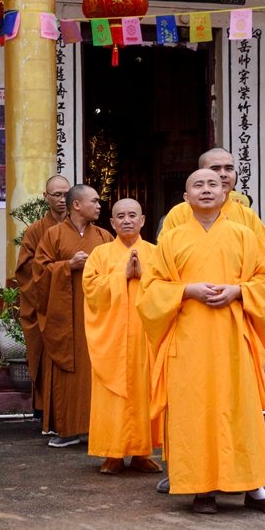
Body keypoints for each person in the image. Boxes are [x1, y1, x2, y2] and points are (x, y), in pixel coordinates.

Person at [138, 169, 265, 516]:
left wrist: (239, 290)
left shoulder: (244, 236)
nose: (206, 190)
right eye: (197, 185)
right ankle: (200, 487)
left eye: (213, 185)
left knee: (240, 409)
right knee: (194, 410)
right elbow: (150, 290)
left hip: (232, 336)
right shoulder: (172, 240)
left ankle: (254, 486)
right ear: (186, 198)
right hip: (188, 337)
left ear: (226, 194)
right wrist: (186, 290)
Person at [82, 198, 163, 474]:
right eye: (120, 216)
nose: (126, 220)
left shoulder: (156, 253)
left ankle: (142, 452)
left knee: (144, 392)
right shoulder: (100, 254)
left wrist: (144, 274)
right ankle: (112, 454)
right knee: (111, 394)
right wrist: (122, 275)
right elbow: (90, 289)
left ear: (142, 220)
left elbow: (167, 288)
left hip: (145, 337)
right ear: (112, 223)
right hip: (112, 338)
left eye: (132, 215)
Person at [33, 184, 113, 448]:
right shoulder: (53, 235)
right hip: (64, 315)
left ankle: (95, 429)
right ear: (76, 205)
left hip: (96, 313)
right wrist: (68, 266)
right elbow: (39, 273)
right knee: (68, 368)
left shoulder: (104, 236)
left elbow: (114, 268)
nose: (99, 205)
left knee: (95, 368)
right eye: (95, 201)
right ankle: (66, 429)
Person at [14, 174, 71, 431]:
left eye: (65, 194)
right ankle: (43, 408)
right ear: (45, 197)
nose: (61, 200)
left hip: (73, 306)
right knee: (41, 355)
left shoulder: (83, 228)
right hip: (41, 305)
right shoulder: (35, 230)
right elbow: (25, 270)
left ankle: (71, 412)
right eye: (56, 194)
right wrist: (60, 273)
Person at [161, 147, 265, 263]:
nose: (223, 174)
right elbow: (163, 259)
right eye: (215, 168)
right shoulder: (179, 214)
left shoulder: (247, 215)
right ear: (200, 173)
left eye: (229, 168)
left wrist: (240, 280)